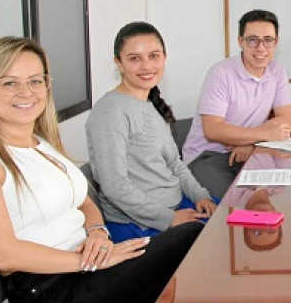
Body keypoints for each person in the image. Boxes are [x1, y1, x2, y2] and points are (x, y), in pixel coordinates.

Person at [0, 36, 203, 303]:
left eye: (35, 81)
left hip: (86, 268)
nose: (26, 92)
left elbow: (84, 202)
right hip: (50, 297)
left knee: (199, 257)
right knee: (192, 238)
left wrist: (98, 233)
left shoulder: (40, 144)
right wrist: (90, 261)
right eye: (10, 83)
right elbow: (5, 256)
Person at [86, 21, 216, 242]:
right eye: (134, 58)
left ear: (164, 57)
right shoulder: (110, 112)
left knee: (238, 220)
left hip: (176, 205)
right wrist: (169, 218)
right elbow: (115, 187)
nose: (146, 66)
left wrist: (201, 196)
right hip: (138, 224)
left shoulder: (149, 104)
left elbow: (175, 164)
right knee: (223, 243)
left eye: (154, 56)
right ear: (118, 63)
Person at [183, 9, 291, 197]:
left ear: (276, 42)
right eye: (252, 40)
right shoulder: (220, 73)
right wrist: (261, 135)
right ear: (240, 41)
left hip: (250, 151)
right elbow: (213, 130)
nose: (261, 48)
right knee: (239, 199)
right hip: (209, 155)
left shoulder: (277, 71)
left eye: (268, 40)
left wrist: (253, 144)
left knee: (282, 192)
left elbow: (286, 120)